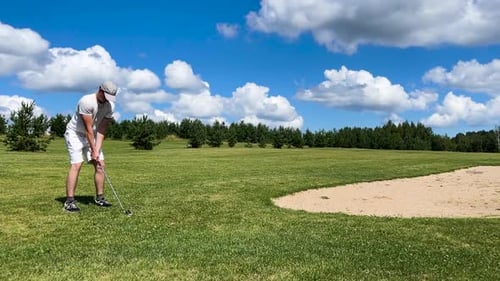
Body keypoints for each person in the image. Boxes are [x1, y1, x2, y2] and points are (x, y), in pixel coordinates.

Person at [63, 81, 118, 213]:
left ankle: (100, 198)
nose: (106, 100)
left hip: (92, 135)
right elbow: (88, 128)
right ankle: (69, 201)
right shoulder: (86, 101)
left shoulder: (110, 106)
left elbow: (101, 130)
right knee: (77, 164)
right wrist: (93, 150)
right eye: (105, 96)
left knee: (100, 165)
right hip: (75, 133)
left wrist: (97, 150)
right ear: (100, 90)